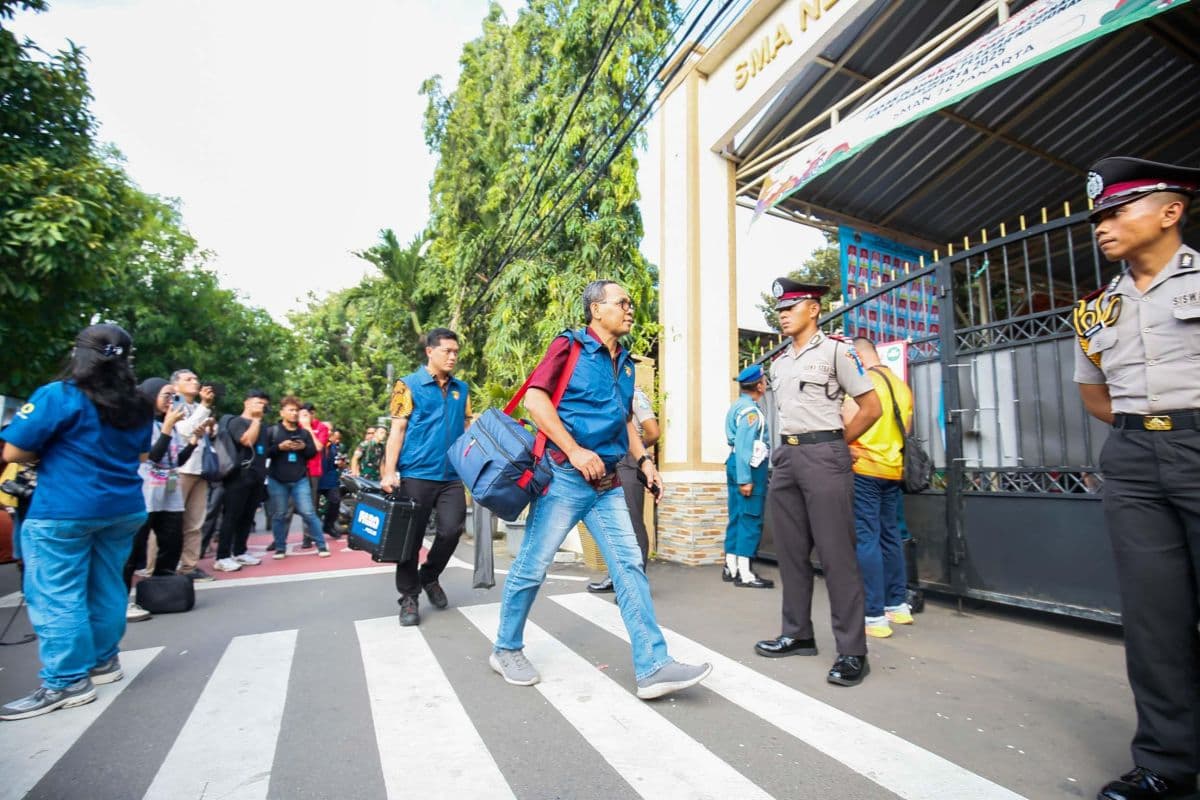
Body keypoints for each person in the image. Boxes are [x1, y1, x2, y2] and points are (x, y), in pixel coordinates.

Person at [490, 280, 711, 700]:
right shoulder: (569, 347)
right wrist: (573, 451)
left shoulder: (625, 363)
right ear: (596, 310)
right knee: (532, 566)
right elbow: (535, 402)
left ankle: (653, 666)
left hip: (608, 484)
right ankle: (506, 648)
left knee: (629, 568)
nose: (630, 309)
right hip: (564, 479)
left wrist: (645, 462)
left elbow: (625, 420)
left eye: (630, 303)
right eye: (622, 303)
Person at [1071, 156, 1200, 800]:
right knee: (1155, 620)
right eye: (1098, 216)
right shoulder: (1097, 310)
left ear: (1170, 212)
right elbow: (1096, 395)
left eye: (1117, 210)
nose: (1102, 225)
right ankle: (1168, 763)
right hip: (1132, 459)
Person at [0, 324, 153, 720]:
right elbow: (140, 456)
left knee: (56, 593)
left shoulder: (59, 395)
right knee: (106, 584)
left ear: (80, 354)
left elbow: (14, 450)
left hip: (64, 509)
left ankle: (66, 680)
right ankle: (104, 661)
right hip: (122, 506)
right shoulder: (137, 403)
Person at [753, 279, 881, 688]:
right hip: (787, 457)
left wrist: (838, 442)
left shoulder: (837, 352)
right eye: (780, 309)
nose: (783, 314)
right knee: (790, 553)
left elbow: (871, 406)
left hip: (825, 454)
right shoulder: (778, 363)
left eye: (792, 306)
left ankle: (852, 651)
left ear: (814, 309)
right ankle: (798, 633)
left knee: (837, 555)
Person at [381, 328, 471, 626]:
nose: (453, 356)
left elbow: (468, 428)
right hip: (416, 473)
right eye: (447, 351)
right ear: (430, 351)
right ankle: (409, 596)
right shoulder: (406, 385)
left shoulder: (462, 389)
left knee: (451, 530)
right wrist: (389, 471)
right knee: (410, 540)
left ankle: (429, 576)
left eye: (456, 351)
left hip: (451, 475)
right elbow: (397, 431)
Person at [842, 337, 914, 639]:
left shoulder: (863, 384)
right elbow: (906, 430)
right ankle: (897, 605)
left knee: (866, 539)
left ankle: (873, 615)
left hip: (865, 469)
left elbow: (846, 424)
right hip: (893, 470)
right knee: (890, 536)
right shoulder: (901, 386)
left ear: (859, 356)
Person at [124, 378, 194, 622]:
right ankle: (121, 601)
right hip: (145, 494)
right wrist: (167, 427)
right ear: (150, 395)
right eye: (166, 395)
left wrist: (194, 442)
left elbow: (176, 460)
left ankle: (162, 592)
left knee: (172, 541)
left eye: (174, 397)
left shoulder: (170, 425)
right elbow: (151, 456)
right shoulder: (139, 422)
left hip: (169, 494)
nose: (171, 401)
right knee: (134, 549)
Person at [586, 384, 660, 593]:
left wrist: (636, 451)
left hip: (628, 460)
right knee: (614, 523)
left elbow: (653, 432)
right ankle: (616, 577)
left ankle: (636, 584)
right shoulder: (609, 393)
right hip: (609, 461)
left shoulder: (635, 395)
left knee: (632, 522)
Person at [722, 363, 774, 589]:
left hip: (736, 462)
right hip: (749, 467)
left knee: (737, 514)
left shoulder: (738, 406)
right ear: (760, 386)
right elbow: (745, 445)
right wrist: (746, 479)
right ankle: (745, 573)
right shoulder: (751, 412)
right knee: (750, 517)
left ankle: (731, 565)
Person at [213, 389, 271, 573]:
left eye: (263, 403)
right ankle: (222, 556)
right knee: (231, 516)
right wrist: (255, 420)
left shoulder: (263, 426)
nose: (260, 405)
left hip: (257, 476)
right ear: (246, 402)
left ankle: (240, 550)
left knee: (247, 516)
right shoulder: (237, 422)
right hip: (238, 476)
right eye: (257, 402)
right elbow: (247, 441)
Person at [266, 396, 330, 559]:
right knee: (280, 514)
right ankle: (280, 547)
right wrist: (280, 447)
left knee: (309, 512)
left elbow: (312, 452)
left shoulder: (303, 432)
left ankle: (321, 545)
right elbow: (265, 452)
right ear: (282, 412)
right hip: (277, 479)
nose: (294, 413)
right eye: (291, 410)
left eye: (297, 411)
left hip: (300, 478)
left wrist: (303, 447)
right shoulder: (272, 431)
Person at [169, 369, 216, 582]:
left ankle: (189, 566)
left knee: (195, 523)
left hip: (199, 469)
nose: (195, 382)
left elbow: (201, 437)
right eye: (188, 379)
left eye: (196, 378)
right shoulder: (173, 405)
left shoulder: (198, 408)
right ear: (176, 385)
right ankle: (157, 568)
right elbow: (184, 432)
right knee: (168, 521)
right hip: (179, 470)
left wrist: (209, 427)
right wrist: (205, 407)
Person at [298, 402, 329, 548]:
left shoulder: (321, 427)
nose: (302, 418)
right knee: (285, 506)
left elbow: (318, 447)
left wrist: (308, 429)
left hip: (313, 471)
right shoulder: (294, 426)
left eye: (305, 414)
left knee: (311, 505)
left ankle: (308, 536)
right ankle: (279, 539)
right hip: (293, 470)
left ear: (312, 414)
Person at [316, 428, 343, 537]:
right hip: (315, 479)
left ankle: (328, 526)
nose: (329, 433)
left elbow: (336, 463)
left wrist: (341, 464)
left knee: (335, 502)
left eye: (330, 431)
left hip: (330, 480)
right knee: (313, 507)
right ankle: (309, 535)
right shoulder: (315, 444)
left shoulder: (333, 447)